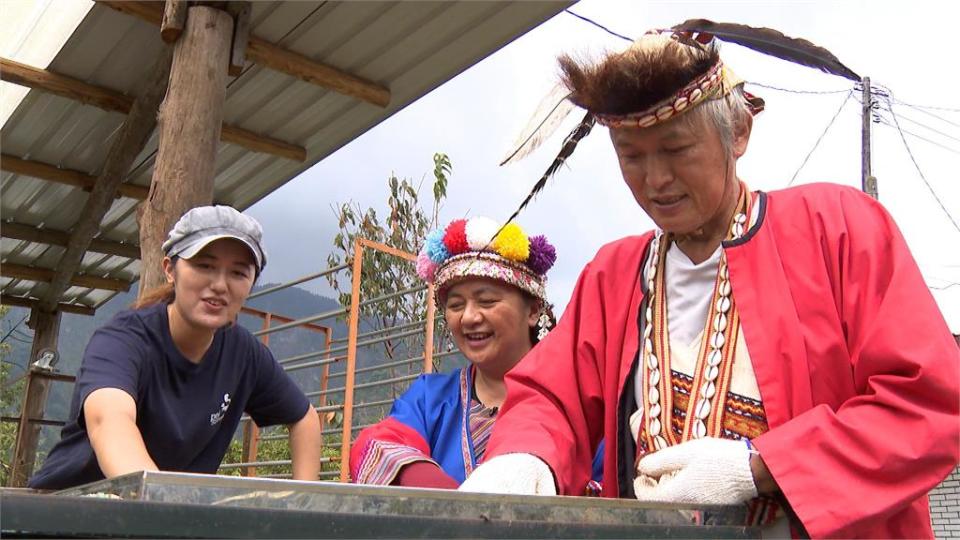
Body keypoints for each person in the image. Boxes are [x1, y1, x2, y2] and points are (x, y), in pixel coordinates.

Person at [458, 28, 960, 538]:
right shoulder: (613, 276)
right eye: (632, 156)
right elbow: (549, 399)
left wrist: (760, 466)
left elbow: (930, 404)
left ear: (737, 133)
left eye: (676, 148)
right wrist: (524, 458)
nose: (655, 180)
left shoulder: (837, 229)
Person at [29, 206, 322, 489]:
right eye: (204, 265)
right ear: (170, 269)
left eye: (238, 273)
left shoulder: (244, 354)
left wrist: (307, 507)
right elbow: (109, 420)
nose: (220, 285)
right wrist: (161, 505)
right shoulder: (123, 340)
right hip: (69, 514)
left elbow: (304, 418)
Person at [350, 217, 602, 492]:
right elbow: (379, 444)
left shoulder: (579, 401)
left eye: (487, 301)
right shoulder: (430, 399)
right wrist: (430, 486)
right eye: (456, 305)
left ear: (532, 311)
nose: (469, 317)